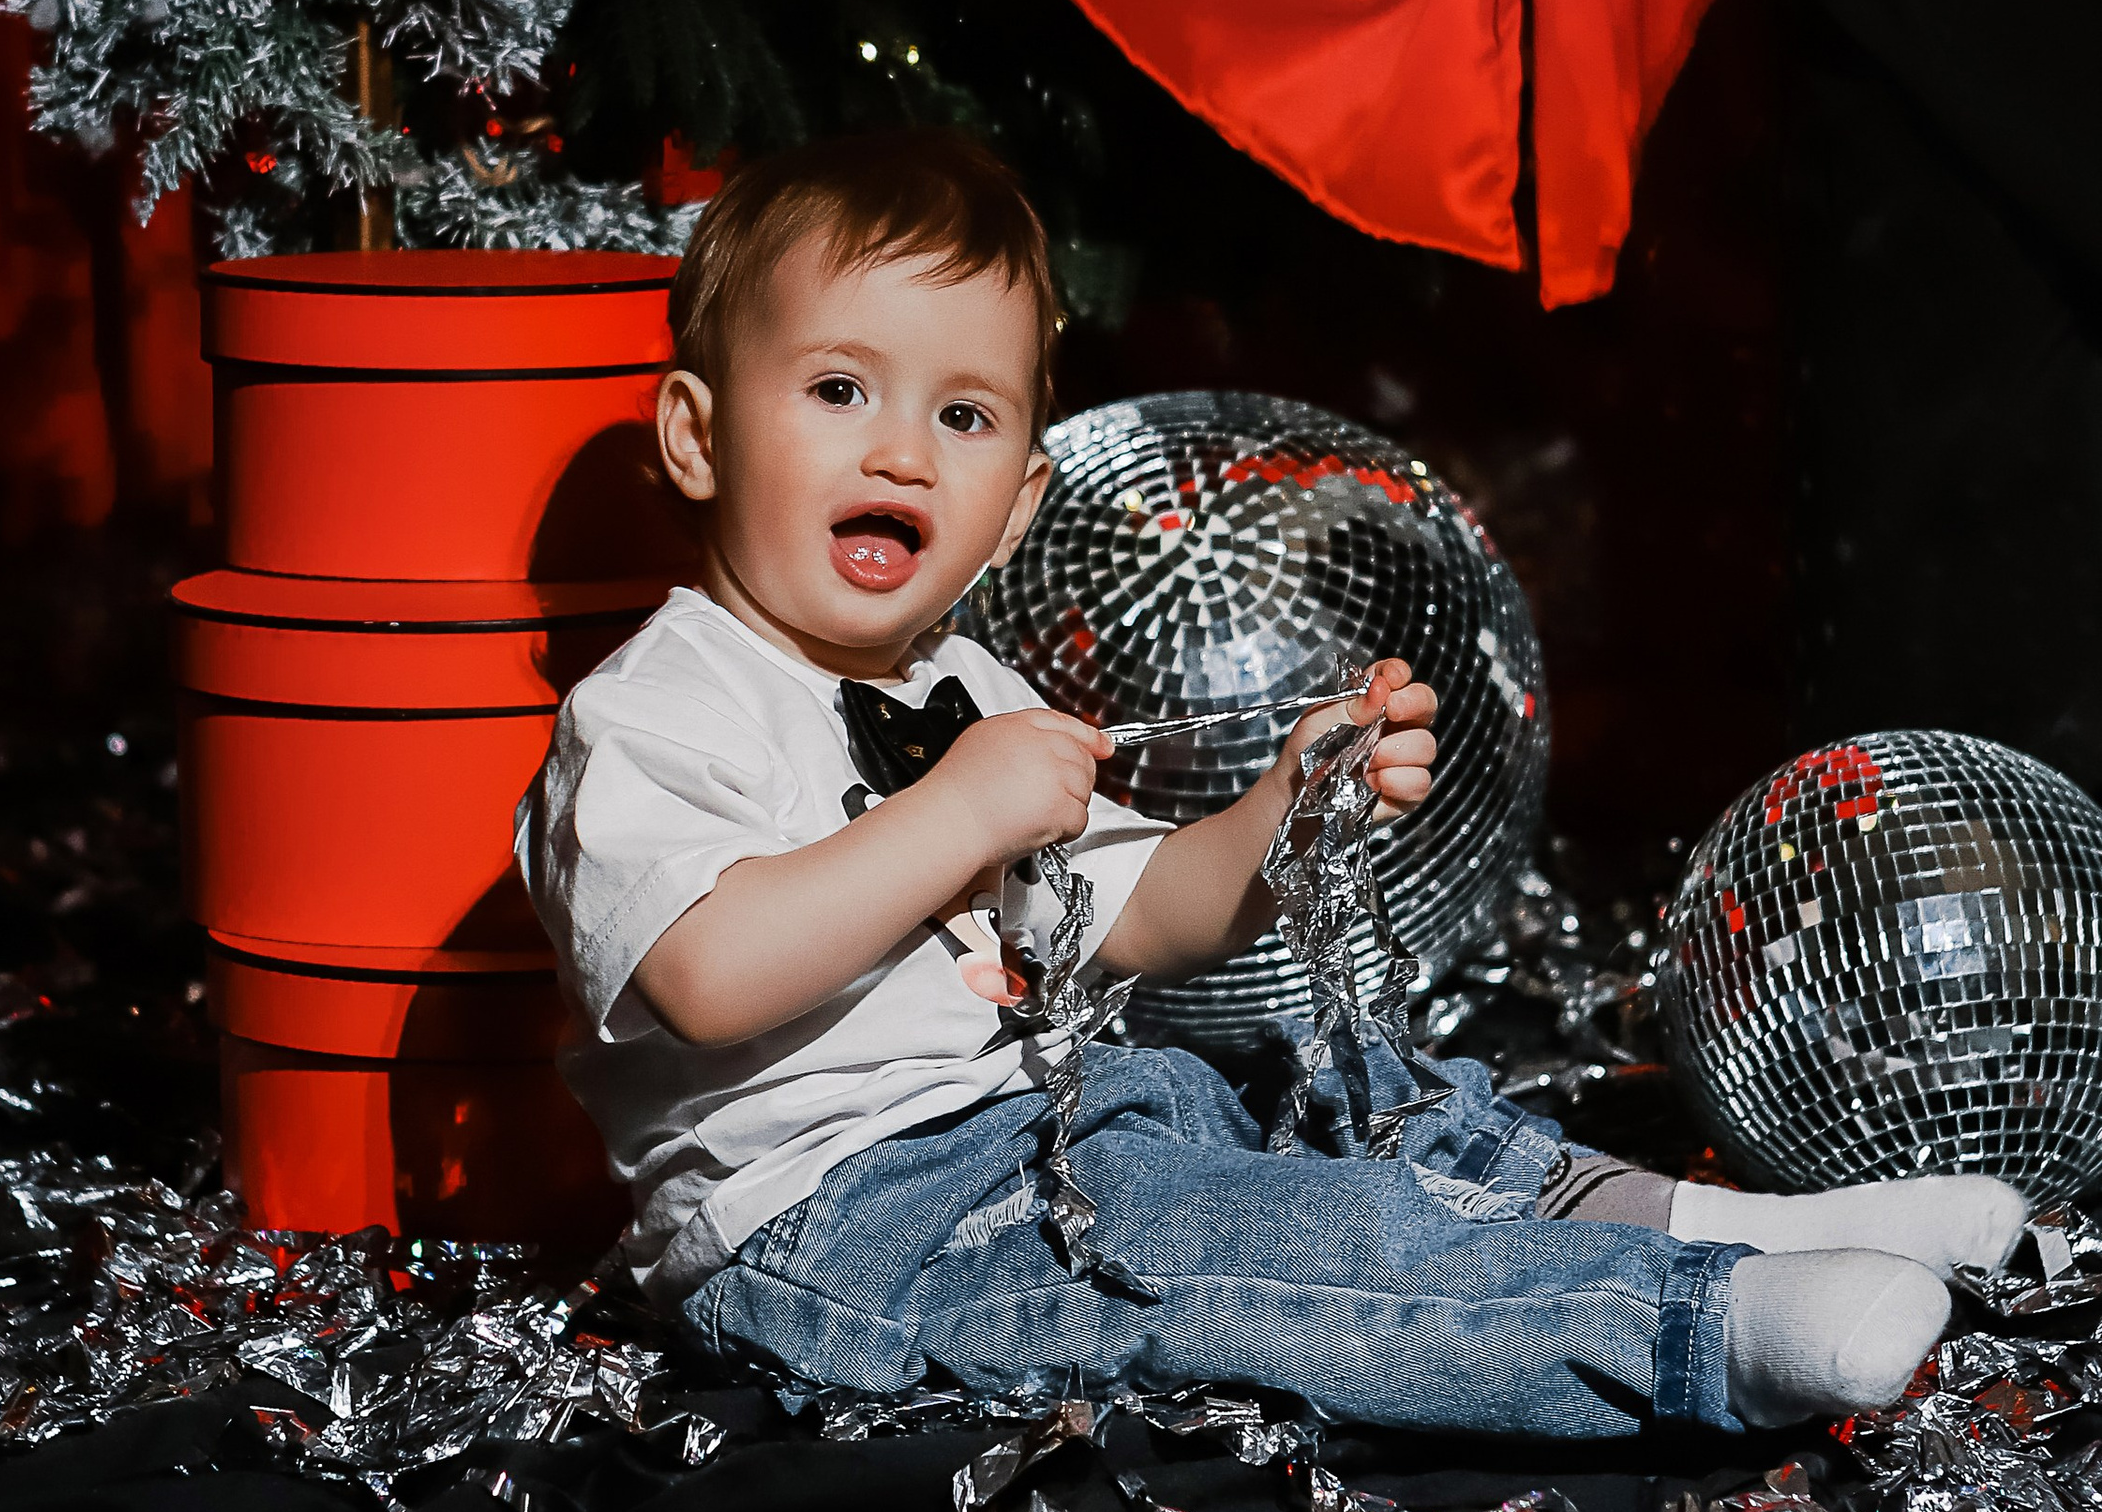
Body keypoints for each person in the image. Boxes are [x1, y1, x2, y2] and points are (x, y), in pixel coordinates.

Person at [517, 130, 2024, 1435]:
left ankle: (1729, 1230)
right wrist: (958, 812)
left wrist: (1288, 812)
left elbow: (1148, 915)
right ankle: (1704, 1333)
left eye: (962, 416)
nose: (903, 452)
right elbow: (708, 975)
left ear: (1020, 499)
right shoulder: (661, 708)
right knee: (1267, 1260)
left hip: (1065, 1122)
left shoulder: (969, 693)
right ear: (700, 437)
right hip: (839, 1234)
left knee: (1338, 1082)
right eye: (841, 389)